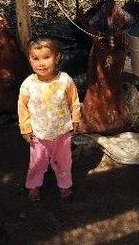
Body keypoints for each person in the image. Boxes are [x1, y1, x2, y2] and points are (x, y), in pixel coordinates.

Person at [18, 38, 81, 201]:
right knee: (37, 164)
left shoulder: (65, 80)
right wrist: (25, 129)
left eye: (46, 57)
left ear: (57, 57)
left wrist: (75, 120)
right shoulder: (28, 85)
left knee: (64, 163)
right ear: (29, 59)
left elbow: (74, 101)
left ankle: (65, 185)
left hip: (62, 134)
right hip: (38, 135)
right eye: (35, 58)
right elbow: (22, 108)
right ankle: (33, 186)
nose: (41, 63)